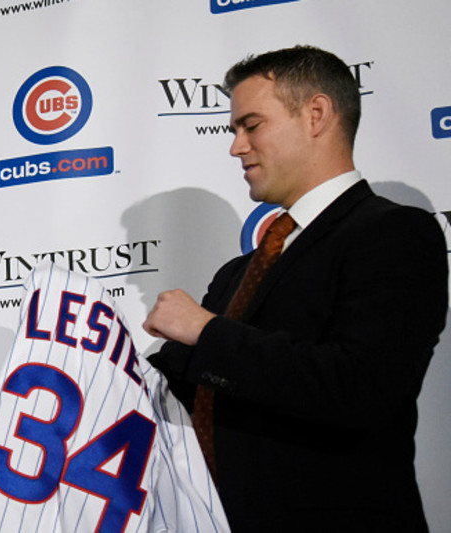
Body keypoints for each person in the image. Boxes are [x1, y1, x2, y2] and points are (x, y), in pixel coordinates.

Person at [143, 46, 448, 532]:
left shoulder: (396, 234)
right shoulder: (237, 272)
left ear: (316, 114)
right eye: (234, 130)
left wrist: (208, 333)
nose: (235, 147)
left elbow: (361, 389)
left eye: (252, 125)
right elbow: (167, 393)